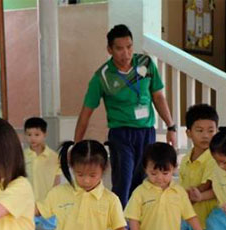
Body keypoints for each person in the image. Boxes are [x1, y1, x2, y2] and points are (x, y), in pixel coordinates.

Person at [74, 24, 177, 210]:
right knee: (124, 181)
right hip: (121, 135)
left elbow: (159, 97)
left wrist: (171, 127)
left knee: (146, 180)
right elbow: (86, 112)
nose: (126, 53)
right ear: (110, 50)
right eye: (120, 48)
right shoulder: (102, 76)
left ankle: (140, 225)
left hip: (147, 132)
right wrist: (76, 145)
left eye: (129, 47)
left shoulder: (146, 63)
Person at [126, 143, 211, 230]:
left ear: (174, 169)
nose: (159, 178)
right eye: (154, 173)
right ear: (145, 169)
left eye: (165, 173)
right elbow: (132, 216)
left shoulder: (179, 192)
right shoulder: (140, 192)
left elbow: (190, 215)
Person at [179, 104, 220, 230]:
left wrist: (192, 194)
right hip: (185, 216)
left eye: (211, 130)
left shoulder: (215, 158)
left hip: (205, 220)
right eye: (199, 130)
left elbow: (207, 184)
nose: (206, 136)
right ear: (188, 133)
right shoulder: (185, 159)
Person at [23, 117, 61, 230]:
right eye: (29, 134)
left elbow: (57, 180)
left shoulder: (54, 157)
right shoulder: (22, 156)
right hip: (28, 204)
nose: (32, 138)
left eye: (36, 134)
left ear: (45, 134)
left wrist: (52, 200)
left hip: (47, 205)